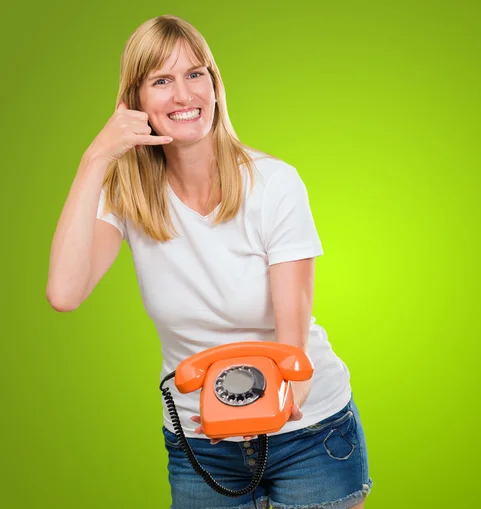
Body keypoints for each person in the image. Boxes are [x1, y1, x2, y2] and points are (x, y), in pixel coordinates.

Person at [46, 14, 372, 509]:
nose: (183, 95)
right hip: (200, 443)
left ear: (215, 86)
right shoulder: (127, 195)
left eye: (195, 74)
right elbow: (64, 293)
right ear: (135, 104)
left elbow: (294, 344)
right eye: (162, 80)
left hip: (308, 434)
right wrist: (95, 160)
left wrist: (262, 413)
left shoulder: (275, 184)